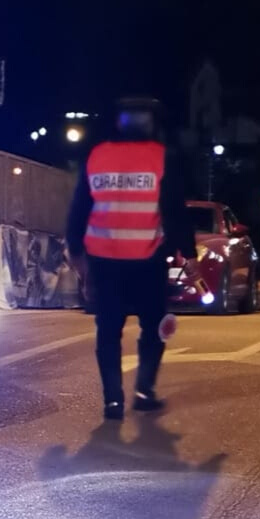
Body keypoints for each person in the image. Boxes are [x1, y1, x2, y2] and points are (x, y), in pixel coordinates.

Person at [66, 97, 197, 420]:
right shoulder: (160, 156)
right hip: (147, 259)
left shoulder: (98, 156)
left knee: (108, 330)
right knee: (153, 327)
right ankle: (144, 391)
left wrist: (77, 251)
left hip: (104, 260)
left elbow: (79, 208)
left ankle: (113, 400)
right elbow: (174, 210)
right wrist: (188, 252)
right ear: (151, 122)